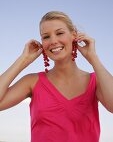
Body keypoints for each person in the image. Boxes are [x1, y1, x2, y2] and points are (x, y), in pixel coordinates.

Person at [0, 11, 113, 142]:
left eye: (59, 33)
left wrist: (93, 59)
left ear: (74, 35)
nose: (53, 41)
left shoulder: (96, 81)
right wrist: (23, 60)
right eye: (46, 37)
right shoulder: (32, 81)